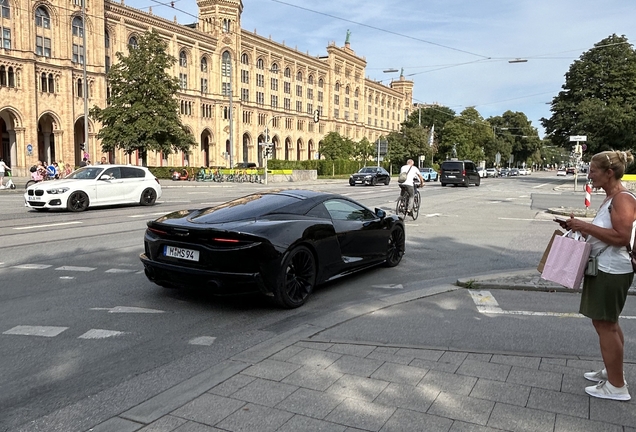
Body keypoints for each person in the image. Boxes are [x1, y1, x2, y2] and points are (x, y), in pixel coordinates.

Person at [559, 150, 636, 401]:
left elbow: (621, 238)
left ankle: (616, 386)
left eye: (593, 170)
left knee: (606, 324)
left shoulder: (622, 199)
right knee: (607, 322)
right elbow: (607, 232)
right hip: (605, 267)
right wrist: (579, 228)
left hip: (612, 269)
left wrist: (584, 226)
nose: (589, 174)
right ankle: (613, 371)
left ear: (609, 173)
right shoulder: (612, 197)